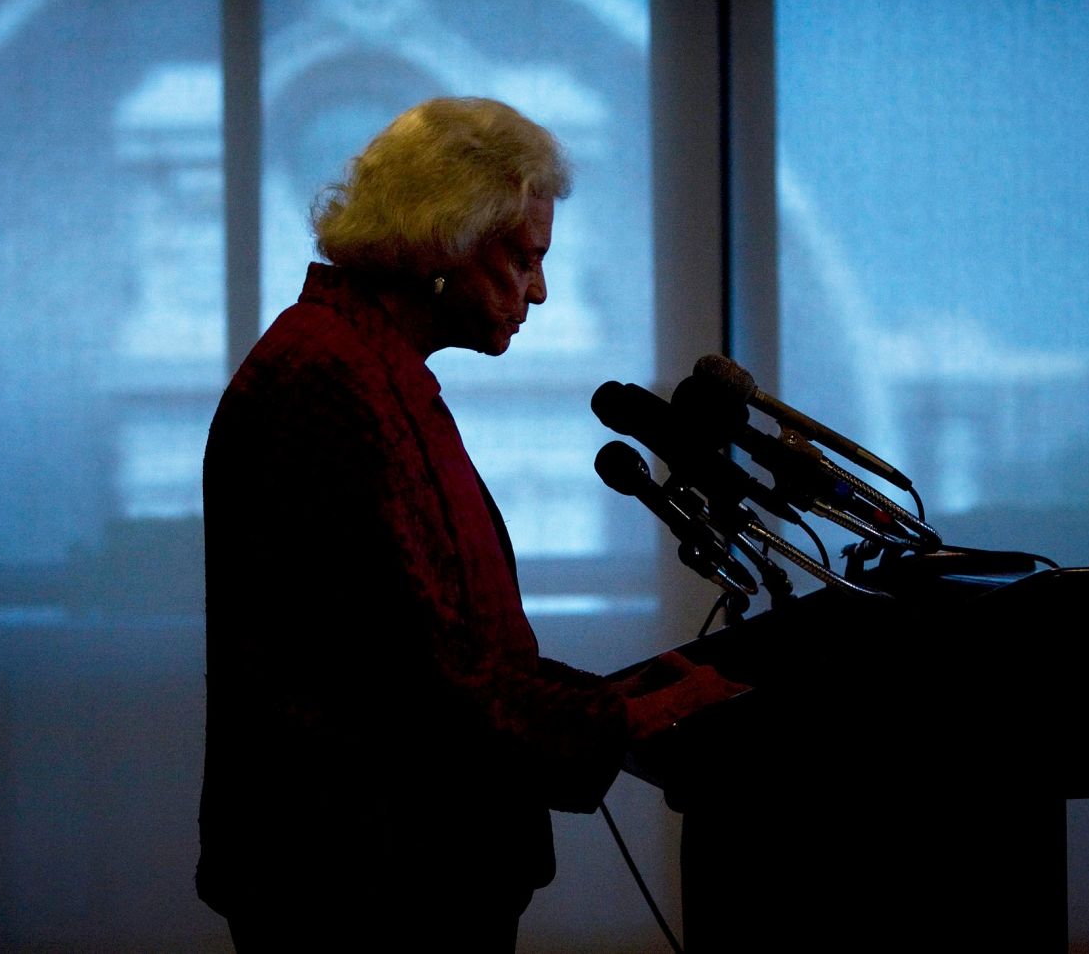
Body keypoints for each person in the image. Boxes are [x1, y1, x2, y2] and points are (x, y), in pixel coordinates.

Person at [196, 96, 741, 952]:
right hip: (365, 892)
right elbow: (420, 677)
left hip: (399, 875)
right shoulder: (329, 379)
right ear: (445, 237)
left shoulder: (371, 367)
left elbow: (444, 643)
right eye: (522, 257)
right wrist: (621, 718)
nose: (541, 289)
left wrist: (617, 695)